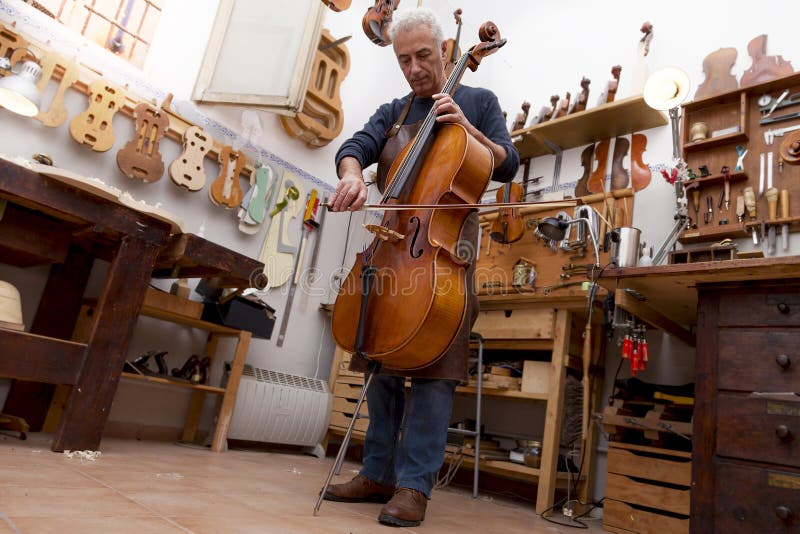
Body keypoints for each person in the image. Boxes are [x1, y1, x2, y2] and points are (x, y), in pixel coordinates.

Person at [324, 7, 519, 528]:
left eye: (423, 56)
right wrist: (352, 176)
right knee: (381, 362)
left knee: (435, 373)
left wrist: (471, 133)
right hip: (393, 250)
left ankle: (414, 487)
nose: (413, 68)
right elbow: (354, 148)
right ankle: (378, 473)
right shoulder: (393, 111)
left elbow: (507, 160)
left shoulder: (477, 100)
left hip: (444, 257)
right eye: (403, 59)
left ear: (445, 52)